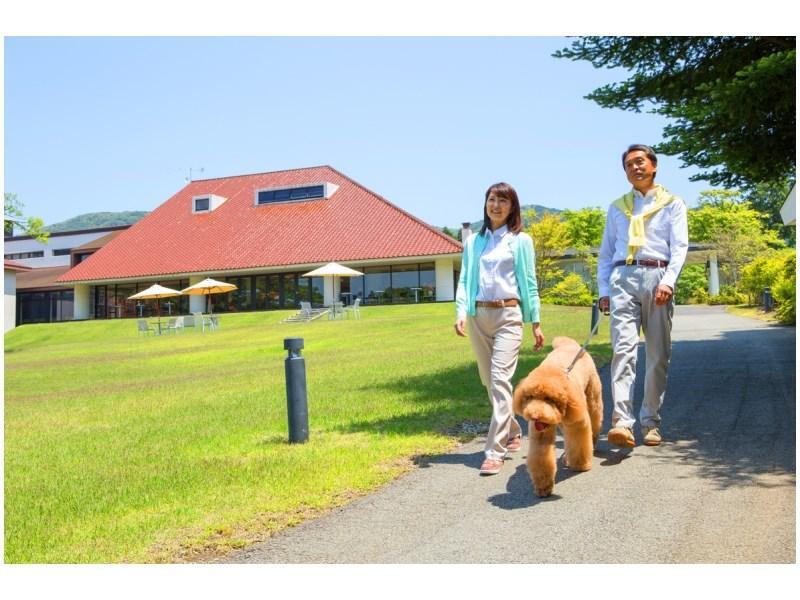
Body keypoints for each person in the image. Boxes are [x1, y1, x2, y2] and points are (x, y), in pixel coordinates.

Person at [598, 144, 689, 448]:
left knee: (657, 354)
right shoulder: (617, 207)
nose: (634, 168)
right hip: (623, 277)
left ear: (654, 165)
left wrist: (669, 281)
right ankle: (621, 423)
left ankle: (650, 422)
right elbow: (606, 253)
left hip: (657, 277)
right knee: (622, 351)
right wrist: (604, 290)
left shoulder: (672, 204)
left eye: (639, 162)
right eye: (628, 165)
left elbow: (679, 248)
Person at [455, 182, 545, 475]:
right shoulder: (472, 242)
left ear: (512, 207)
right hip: (479, 315)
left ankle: (494, 450)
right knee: (488, 381)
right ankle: (514, 428)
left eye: (503, 201)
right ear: (485, 203)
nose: (496, 205)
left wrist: (536, 322)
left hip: (509, 314)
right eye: (492, 200)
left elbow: (529, 282)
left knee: (499, 379)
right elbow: (465, 279)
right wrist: (460, 312)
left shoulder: (521, 241)